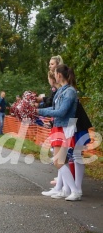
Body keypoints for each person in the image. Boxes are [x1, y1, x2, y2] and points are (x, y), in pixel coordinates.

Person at [38, 64, 81, 201]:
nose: (54, 75)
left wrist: (40, 111)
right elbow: (55, 107)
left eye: (55, 73)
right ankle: (66, 190)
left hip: (65, 128)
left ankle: (75, 191)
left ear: (59, 75)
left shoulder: (70, 92)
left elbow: (61, 111)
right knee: (61, 161)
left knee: (58, 161)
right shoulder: (62, 90)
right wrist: (38, 110)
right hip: (59, 126)